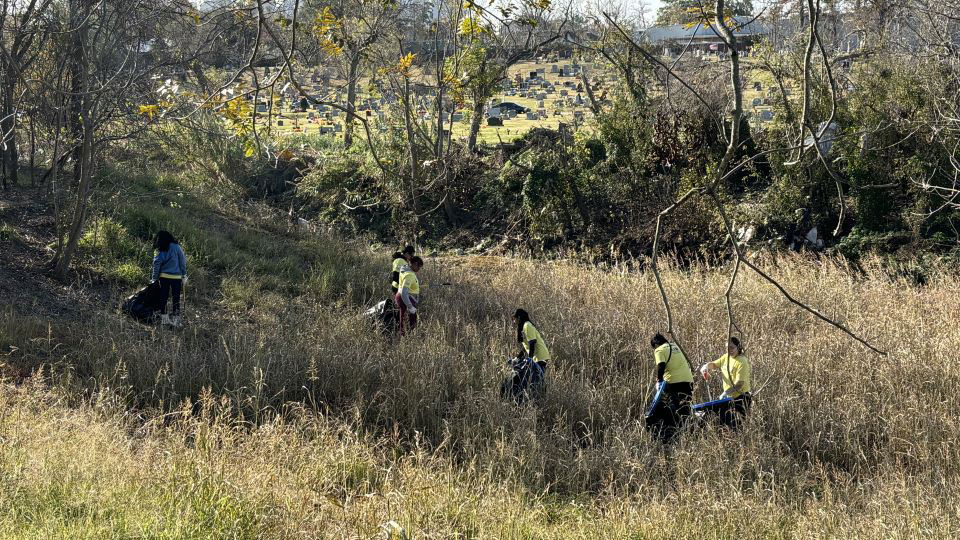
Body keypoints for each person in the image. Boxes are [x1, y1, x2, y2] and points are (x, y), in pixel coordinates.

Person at [644, 333, 694, 443]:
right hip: (688, 381)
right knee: (684, 410)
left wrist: (659, 380)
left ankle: (668, 437)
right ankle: (688, 435)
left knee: (668, 410)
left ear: (655, 345)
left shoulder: (659, 350)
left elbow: (661, 366)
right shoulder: (674, 346)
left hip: (674, 383)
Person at [694, 337, 752, 429]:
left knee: (738, 426)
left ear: (738, 347)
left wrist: (725, 393)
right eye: (727, 348)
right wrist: (705, 367)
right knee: (723, 423)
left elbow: (739, 384)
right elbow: (714, 364)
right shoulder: (726, 357)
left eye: (732, 347)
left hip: (741, 398)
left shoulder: (742, 361)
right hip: (728, 399)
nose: (729, 350)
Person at [501, 309, 551, 403]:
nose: (513, 321)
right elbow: (526, 348)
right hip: (537, 357)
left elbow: (533, 343)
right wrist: (517, 358)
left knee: (535, 380)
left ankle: (538, 399)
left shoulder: (527, 325)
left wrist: (530, 359)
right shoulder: (523, 327)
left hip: (540, 356)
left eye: (514, 319)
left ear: (519, 318)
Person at [151, 230, 187, 327]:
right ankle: (176, 321)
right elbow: (182, 261)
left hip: (164, 278)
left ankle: (165, 320)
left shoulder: (160, 248)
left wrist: (154, 278)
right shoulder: (177, 247)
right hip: (177, 278)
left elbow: (156, 264)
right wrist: (184, 274)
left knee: (164, 298)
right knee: (176, 299)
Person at [395, 256, 422, 336]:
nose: (419, 269)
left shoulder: (405, 268)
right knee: (408, 322)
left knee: (403, 320)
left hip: (401, 297)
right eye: (419, 267)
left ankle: (403, 337)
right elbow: (404, 292)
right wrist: (410, 306)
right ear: (415, 264)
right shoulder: (409, 275)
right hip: (406, 300)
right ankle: (405, 340)